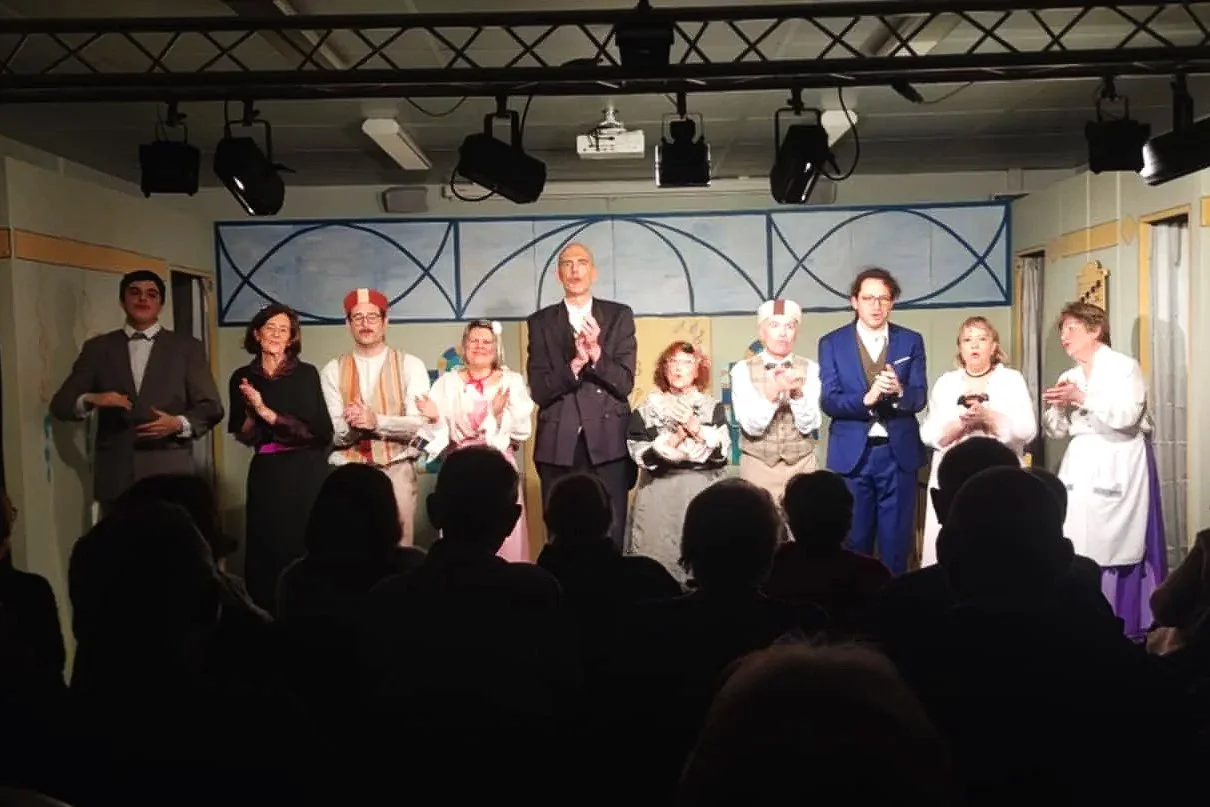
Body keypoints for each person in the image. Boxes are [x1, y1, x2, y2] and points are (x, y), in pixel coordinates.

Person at [49, 269, 223, 513]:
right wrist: (91, 398)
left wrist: (178, 424)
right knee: (120, 537)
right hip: (116, 475)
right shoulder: (99, 348)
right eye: (135, 293)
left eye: (151, 294)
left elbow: (212, 407)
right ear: (122, 301)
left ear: (160, 304)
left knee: (168, 535)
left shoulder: (186, 348)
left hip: (168, 470)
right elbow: (61, 405)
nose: (143, 299)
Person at [1042, 300, 1166, 637]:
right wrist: (1057, 409)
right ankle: (1078, 620)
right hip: (1081, 460)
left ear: (1095, 330)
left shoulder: (1124, 368)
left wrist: (1082, 398)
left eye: (1071, 329)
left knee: (1113, 541)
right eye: (1062, 330)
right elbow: (1055, 430)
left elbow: (1126, 415)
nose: (1064, 337)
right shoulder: (1069, 375)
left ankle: (1120, 619)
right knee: (1077, 539)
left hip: (1118, 457)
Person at [526, 242, 637, 549]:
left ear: (594, 272)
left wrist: (597, 354)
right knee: (560, 536)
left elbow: (624, 383)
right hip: (559, 443)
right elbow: (540, 389)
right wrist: (575, 363)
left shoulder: (618, 315)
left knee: (611, 532)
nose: (574, 269)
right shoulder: (541, 321)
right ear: (557, 274)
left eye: (582, 262)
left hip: (608, 442)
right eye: (567, 263)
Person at [818, 267, 927, 576]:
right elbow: (829, 400)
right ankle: (855, 604)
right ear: (854, 302)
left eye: (883, 299)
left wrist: (900, 391)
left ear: (892, 303)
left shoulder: (910, 341)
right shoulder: (832, 343)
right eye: (868, 298)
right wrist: (865, 400)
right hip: (853, 455)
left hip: (898, 454)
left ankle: (895, 601)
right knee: (854, 541)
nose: (876, 306)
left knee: (896, 543)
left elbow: (919, 397)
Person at [227, 303, 334, 611]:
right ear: (256, 334)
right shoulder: (242, 377)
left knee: (304, 543)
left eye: (283, 330)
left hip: (306, 472)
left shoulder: (306, 374)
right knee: (266, 544)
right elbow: (243, 434)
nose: (276, 335)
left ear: (291, 338)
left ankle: (309, 614)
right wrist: (251, 414)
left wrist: (265, 411)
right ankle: (266, 617)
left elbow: (318, 432)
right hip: (267, 471)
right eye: (270, 328)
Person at [319, 287, 438, 546]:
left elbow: (419, 425)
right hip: (350, 471)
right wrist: (354, 425)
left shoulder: (410, 365)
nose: (365, 324)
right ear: (348, 323)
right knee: (353, 547)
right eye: (358, 317)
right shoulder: (332, 370)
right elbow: (335, 434)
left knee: (399, 547)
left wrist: (377, 422)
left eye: (372, 317)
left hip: (396, 469)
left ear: (385, 321)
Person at [917, 316, 1036, 566]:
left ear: (994, 346)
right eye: (967, 340)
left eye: (982, 339)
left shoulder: (1011, 380)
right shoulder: (947, 383)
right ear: (959, 348)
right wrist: (962, 423)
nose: (974, 345)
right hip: (953, 471)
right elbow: (928, 433)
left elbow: (1027, 430)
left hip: (998, 470)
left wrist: (988, 417)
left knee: (997, 545)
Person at [426, 319, 535, 562]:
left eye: (486, 341)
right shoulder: (448, 383)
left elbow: (521, 429)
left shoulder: (511, 381)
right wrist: (435, 418)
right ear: (464, 346)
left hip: (498, 466)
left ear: (496, 347)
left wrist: (496, 417)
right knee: (460, 532)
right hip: (459, 467)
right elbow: (439, 430)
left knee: (502, 532)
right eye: (474, 341)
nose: (480, 346)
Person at [626, 340, 730, 582]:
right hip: (659, 493)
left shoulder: (712, 407)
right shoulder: (646, 410)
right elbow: (641, 455)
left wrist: (697, 429)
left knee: (703, 559)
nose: (678, 368)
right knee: (657, 566)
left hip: (702, 490)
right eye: (672, 361)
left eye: (686, 362)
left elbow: (721, 454)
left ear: (697, 370)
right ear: (664, 368)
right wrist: (676, 438)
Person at [729, 298, 822, 504]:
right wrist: (772, 393)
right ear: (761, 332)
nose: (782, 333)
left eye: (789, 326)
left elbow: (810, 424)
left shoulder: (810, 368)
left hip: (802, 466)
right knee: (759, 522)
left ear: (796, 333)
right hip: (758, 467)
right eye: (774, 325)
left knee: (805, 522)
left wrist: (797, 393)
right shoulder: (742, 370)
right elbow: (751, 427)